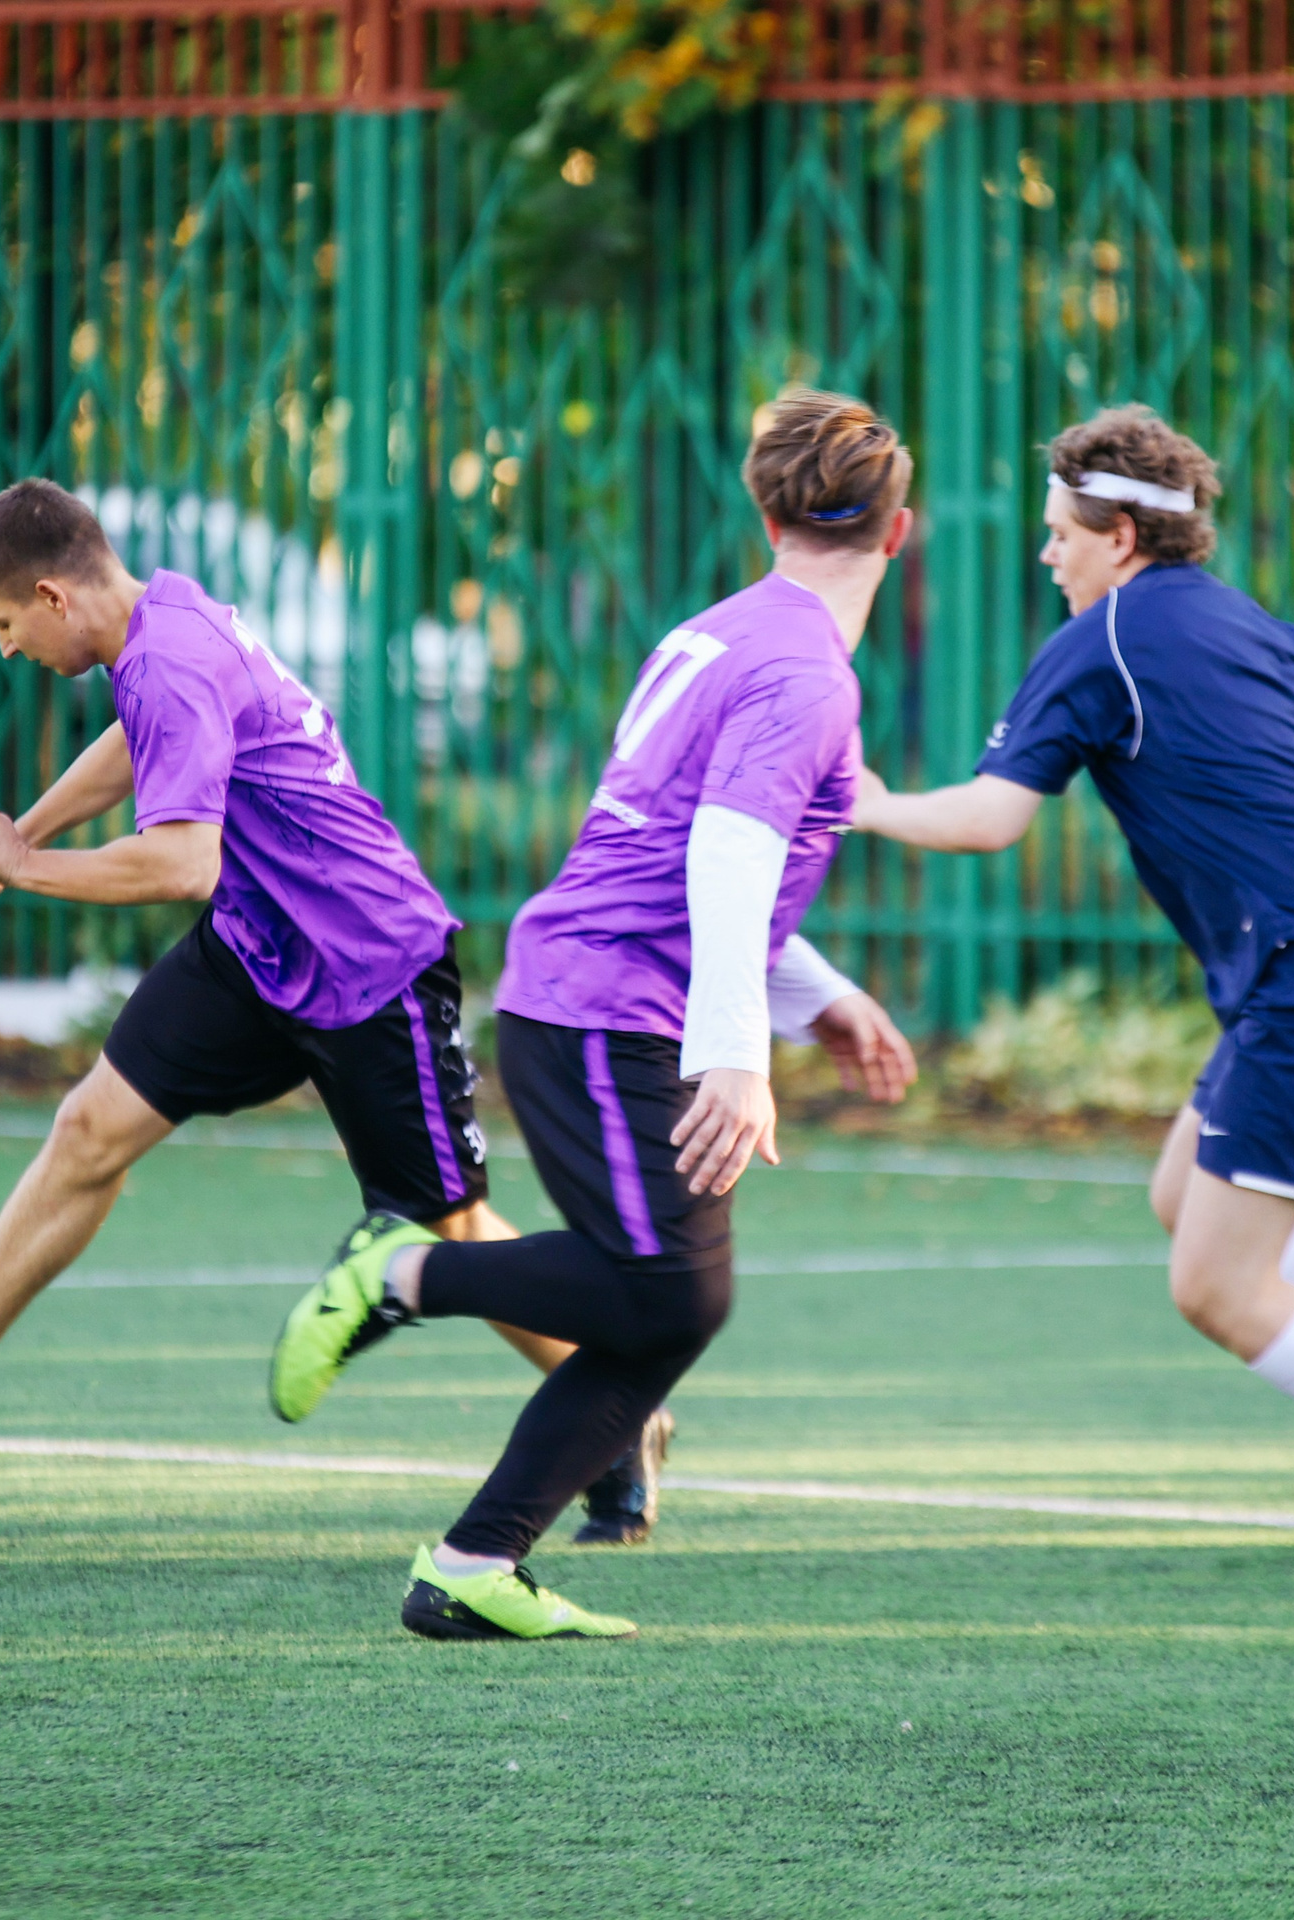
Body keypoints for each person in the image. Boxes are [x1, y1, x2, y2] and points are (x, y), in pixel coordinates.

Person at [0, 480, 668, 1548]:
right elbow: (145, 744)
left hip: (369, 963)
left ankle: (620, 1415)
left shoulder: (165, 654)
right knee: (90, 1129)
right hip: (257, 949)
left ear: (48, 594)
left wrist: (24, 864)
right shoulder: (158, 618)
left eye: (3, 625)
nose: (5, 648)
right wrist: (22, 832)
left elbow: (180, 862)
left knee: (447, 1229)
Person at [855, 405, 1294, 1574]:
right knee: (1178, 1191)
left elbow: (992, 822)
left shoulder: (1103, 643)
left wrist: (867, 801)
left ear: (1124, 539)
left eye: (1060, 533)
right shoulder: (1260, 630)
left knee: (1212, 1286)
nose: (1048, 553)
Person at [263, 391, 921, 1640]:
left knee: (670, 1304)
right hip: (608, 1015)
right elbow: (723, 856)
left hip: (589, 996)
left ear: (764, 510)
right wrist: (739, 1058)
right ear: (900, 535)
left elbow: (681, 853)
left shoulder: (721, 637)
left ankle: (473, 1563)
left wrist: (813, 995)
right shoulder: (805, 677)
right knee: (672, 1295)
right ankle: (398, 1273)